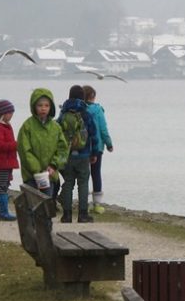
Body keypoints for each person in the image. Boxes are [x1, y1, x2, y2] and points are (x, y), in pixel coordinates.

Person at [16, 88, 69, 210]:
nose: (43, 108)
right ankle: (32, 229)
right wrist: (37, 169)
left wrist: (54, 165)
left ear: (51, 107)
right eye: (40, 105)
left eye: (46, 105)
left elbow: (63, 149)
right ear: (34, 106)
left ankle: (47, 228)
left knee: (46, 207)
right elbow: (24, 150)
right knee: (32, 207)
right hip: (31, 175)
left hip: (49, 175)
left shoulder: (56, 128)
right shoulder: (27, 126)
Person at [57, 84, 99, 223]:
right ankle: (82, 214)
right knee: (83, 183)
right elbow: (93, 134)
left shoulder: (63, 113)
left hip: (67, 154)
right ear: (83, 97)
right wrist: (95, 153)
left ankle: (67, 215)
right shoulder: (85, 113)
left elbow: (57, 132)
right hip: (83, 154)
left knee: (68, 183)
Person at [82, 85, 114, 214]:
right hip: (97, 147)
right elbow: (103, 129)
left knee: (83, 175)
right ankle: (97, 204)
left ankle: (83, 202)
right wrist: (109, 143)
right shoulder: (98, 110)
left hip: (82, 147)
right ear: (92, 96)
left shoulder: (78, 110)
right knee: (96, 174)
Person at [0, 99, 19, 221]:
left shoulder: (6, 126)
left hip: (8, 161)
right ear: (3, 113)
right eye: (10, 113)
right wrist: (16, 144)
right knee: (2, 186)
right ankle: (3, 212)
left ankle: (4, 211)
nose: (11, 115)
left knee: (5, 185)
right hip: (3, 162)